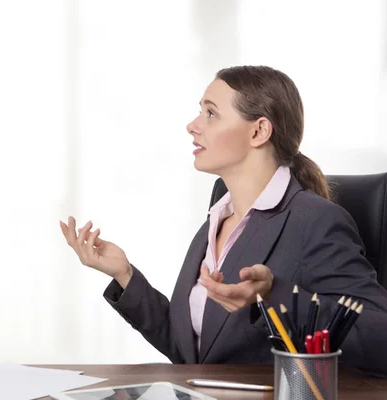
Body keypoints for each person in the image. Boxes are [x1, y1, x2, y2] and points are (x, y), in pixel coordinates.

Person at [60, 65, 387, 376]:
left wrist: (274, 295)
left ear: (258, 131)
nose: (193, 125)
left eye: (211, 113)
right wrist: (125, 274)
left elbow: (379, 339)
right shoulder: (218, 218)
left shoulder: (316, 220)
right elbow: (191, 351)